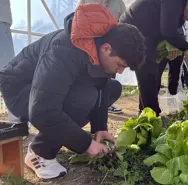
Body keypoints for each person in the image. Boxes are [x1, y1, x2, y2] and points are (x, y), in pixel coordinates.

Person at [0, 3, 146, 180]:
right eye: (120, 65)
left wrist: (100, 127)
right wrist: (86, 144)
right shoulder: (64, 50)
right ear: (106, 48)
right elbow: (42, 110)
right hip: (20, 88)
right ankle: (39, 153)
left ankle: (50, 139)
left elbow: (103, 86)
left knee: (113, 88)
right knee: (84, 99)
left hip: (44, 90)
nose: (120, 71)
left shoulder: (97, 46)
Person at [119, 0, 188, 116]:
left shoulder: (180, 11)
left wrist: (170, 49)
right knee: (147, 71)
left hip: (149, 32)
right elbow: (168, 30)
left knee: (152, 72)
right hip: (133, 27)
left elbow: (165, 30)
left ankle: (145, 111)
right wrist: (186, 47)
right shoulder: (175, 2)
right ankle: (152, 114)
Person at [78, 0, 127, 114]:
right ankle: (87, 103)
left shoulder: (118, 3)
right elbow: (78, 16)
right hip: (90, 43)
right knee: (88, 74)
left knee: (109, 76)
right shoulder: (85, 1)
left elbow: (125, 21)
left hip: (110, 46)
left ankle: (105, 104)